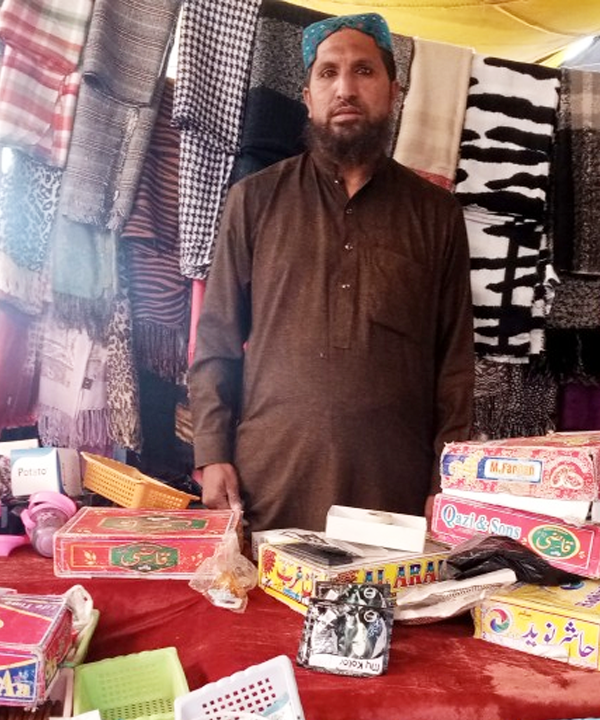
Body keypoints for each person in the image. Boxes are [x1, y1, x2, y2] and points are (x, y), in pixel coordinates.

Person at [188, 13, 474, 532]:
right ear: (307, 95)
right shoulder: (255, 199)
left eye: (364, 71)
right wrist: (212, 452)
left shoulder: (435, 213)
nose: (345, 88)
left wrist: (447, 482)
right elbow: (216, 339)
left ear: (394, 91)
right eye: (328, 73)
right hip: (269, 483)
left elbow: (454, 364)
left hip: (394, 492)